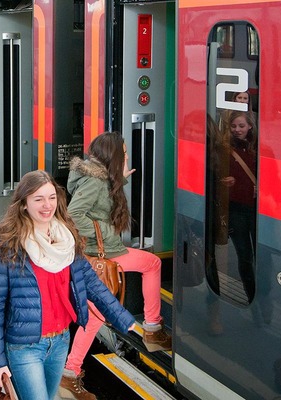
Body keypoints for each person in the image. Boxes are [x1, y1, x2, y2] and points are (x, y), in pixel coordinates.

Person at [0, 170, 137, 400]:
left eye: (52, 197)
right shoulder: (7, 247)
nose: (47, 205)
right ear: (24, 204)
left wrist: (123, 319)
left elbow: (91, 284)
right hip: (25, 347)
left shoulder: (66, 239)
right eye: (38, 199)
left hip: (60, 341)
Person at [62, 132, 172, 398]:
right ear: (113, 154)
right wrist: (102, 233)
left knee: (96, 319)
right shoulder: (95, 181)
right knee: (152, 265)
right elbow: (74, 214)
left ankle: (71, 371)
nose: (126, 155)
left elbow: (97, 200)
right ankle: (153, 328)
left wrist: (121, 178)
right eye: (123, 151)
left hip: (99, 251)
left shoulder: (97, 177)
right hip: (101, 253)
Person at [220, 111, 258, 300]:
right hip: (235, 209)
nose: (237, 130)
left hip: (258, 210)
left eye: (241, 126)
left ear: (250, 126)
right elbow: (215, 176)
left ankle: (263, 294)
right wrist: (223, 182)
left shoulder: (259, 149)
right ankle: (251, 295)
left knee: (261, 255)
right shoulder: (224, 150)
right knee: (244, 256)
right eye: (233, 126)